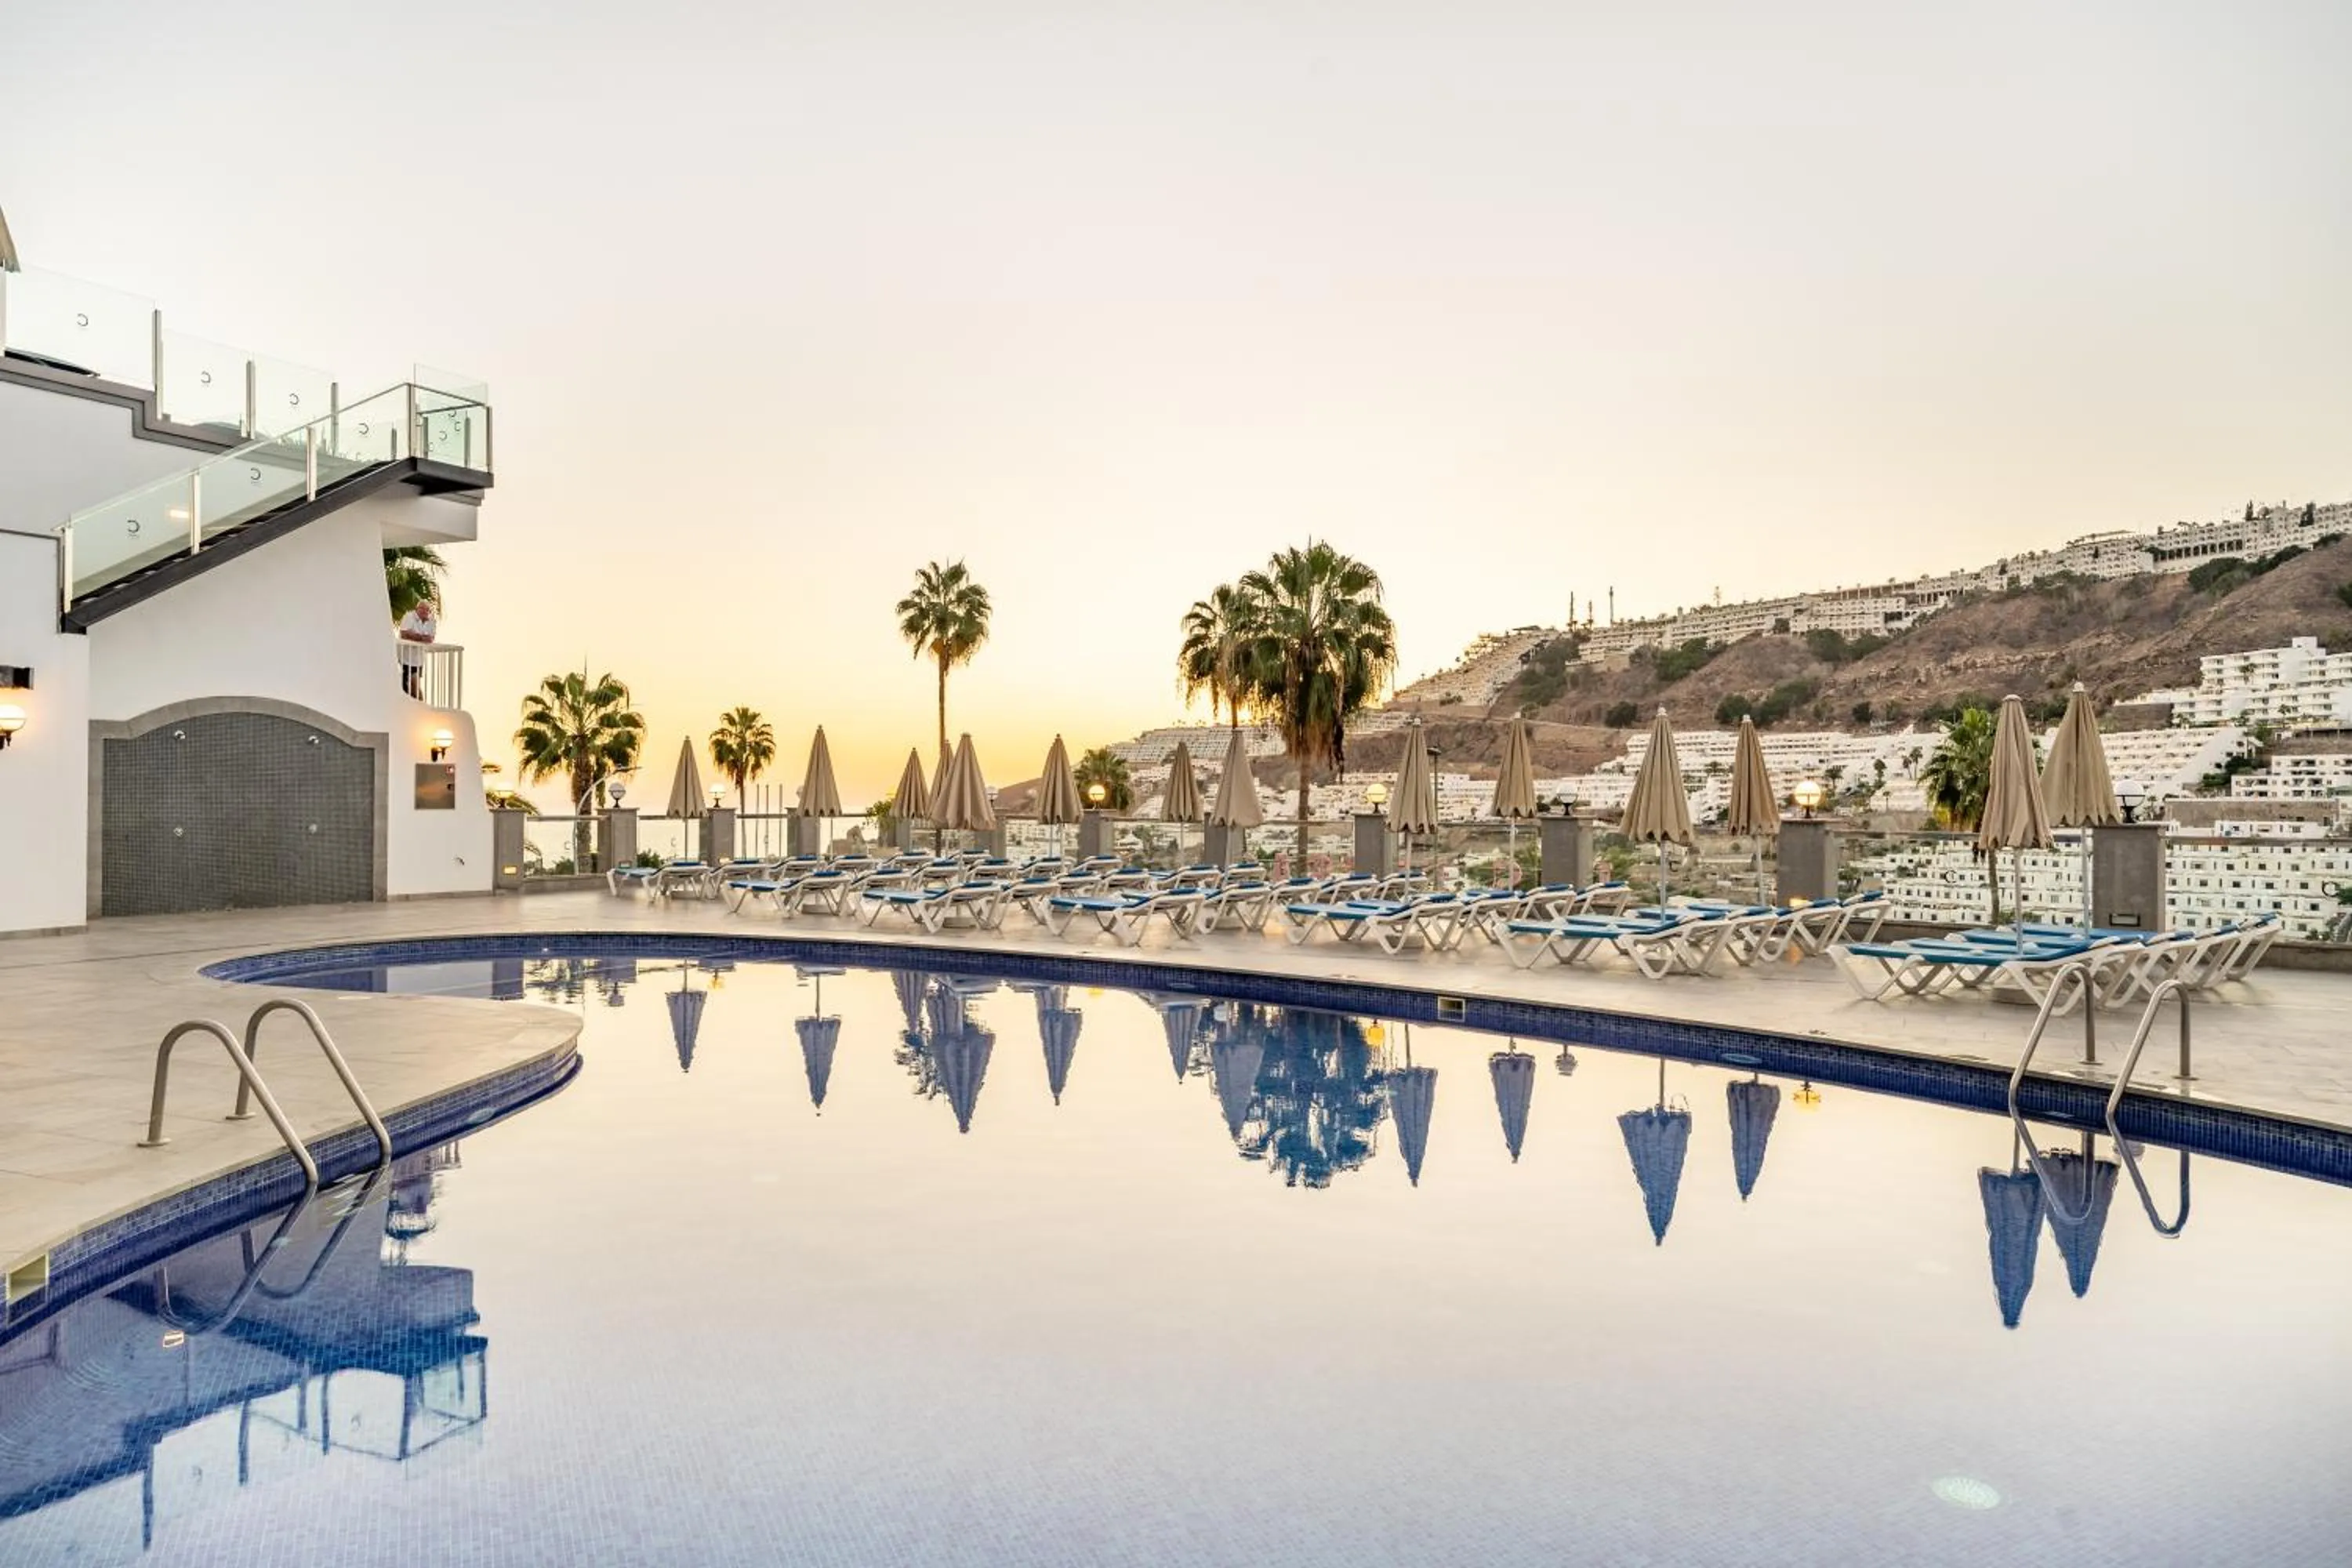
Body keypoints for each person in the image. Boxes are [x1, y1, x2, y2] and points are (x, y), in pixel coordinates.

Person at [397, 599, 438, 697]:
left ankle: (418, 708)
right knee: (409, 689)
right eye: (422, 608)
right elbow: (404, 634)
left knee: (412, 689)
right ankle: (419, 707)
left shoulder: (431, 621)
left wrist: (416, 636)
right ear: (416, 609)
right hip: (405, 659)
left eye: (427, 609)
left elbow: (431, 639)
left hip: (418, 660)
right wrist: (422, 638)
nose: (424, 611)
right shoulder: (409, 616)